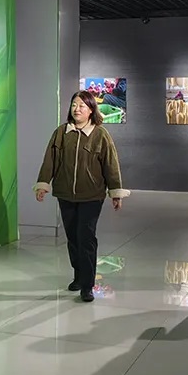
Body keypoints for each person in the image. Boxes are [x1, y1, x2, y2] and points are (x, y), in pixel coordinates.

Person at [34, 90, 129, 302]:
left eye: (82, 106)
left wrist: (116, 192)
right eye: (74, 105)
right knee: (73, 238)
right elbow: (50, 160)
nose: (77, 109)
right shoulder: (61, 133)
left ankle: (87, 285)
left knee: (86, 237)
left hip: (91, 195)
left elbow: (111, 165)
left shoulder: (101, 135)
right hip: (65, 194)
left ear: (91, 110)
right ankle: (78, 275)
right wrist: (43, 184)